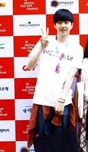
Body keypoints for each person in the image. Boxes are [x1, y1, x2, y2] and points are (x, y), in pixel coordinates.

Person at [26, 9, 83, 151]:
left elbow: (71, 76)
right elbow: (29, 65)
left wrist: (61, 100)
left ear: (72, 25)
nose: (63, 25)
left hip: (62, 102)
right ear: (54, 25)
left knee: (62, 143)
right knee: (43, 142)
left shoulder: (77, 48)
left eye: (66, 22)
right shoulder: (45, 42)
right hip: (42, 100)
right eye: (60, 22)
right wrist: (41, 47)